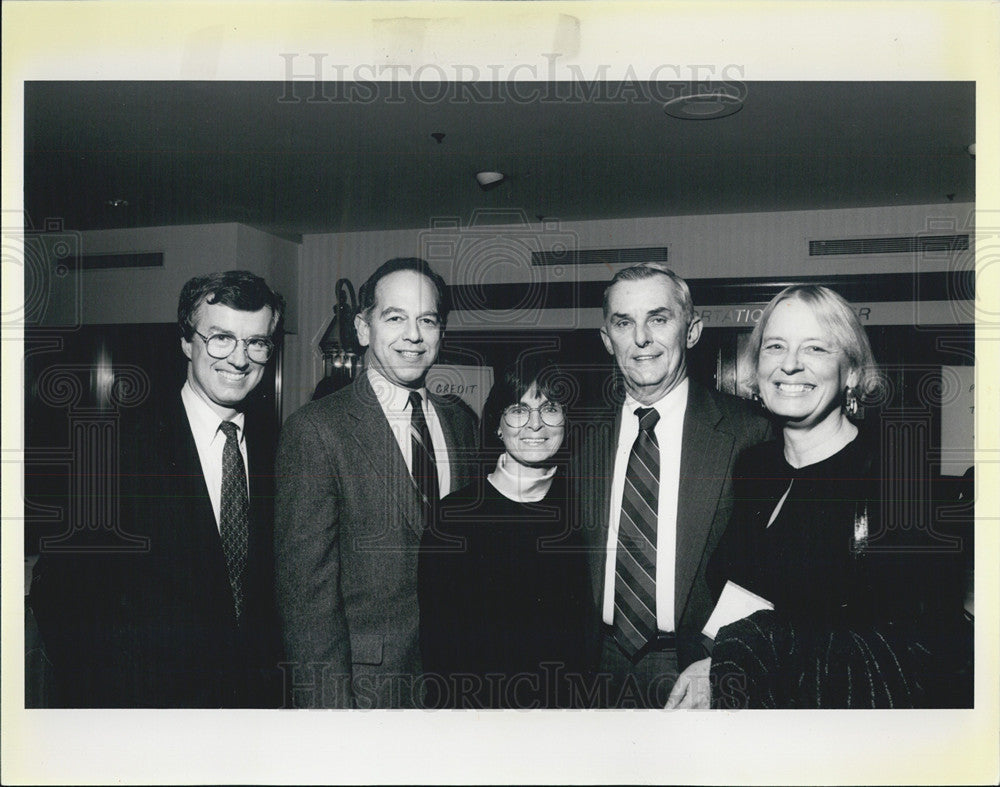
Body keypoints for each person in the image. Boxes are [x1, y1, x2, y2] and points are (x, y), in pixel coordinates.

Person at [668, 284, 971, 709]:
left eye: (815, 349)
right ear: (756, 367)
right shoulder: (754, 465)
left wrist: (740, 661)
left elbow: (924, 655)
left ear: (850, 371)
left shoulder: (896, 479)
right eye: (775, 346)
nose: (790, 364)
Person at [29, 270, 286, 707]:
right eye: (221, 338)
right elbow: (59, 595)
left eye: (256, 343)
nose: (239, 359)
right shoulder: (117, 448)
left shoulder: (282, 449)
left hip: (255, 713)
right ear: (187, 341)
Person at [274, 257, 478, 709]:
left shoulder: (462, 424)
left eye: (427, 320)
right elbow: (306, 601)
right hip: (369, 695)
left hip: (461, 688)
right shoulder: (316, 430)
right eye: (395, 318)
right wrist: (331, 717)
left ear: (442, 332)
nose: (413, 335)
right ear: (364, 329)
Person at [570, 263, 773, 708]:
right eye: (624, 323)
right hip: (592, 666)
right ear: (607, 339)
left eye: (659, 319)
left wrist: (720, 659)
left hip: (699, 667)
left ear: (693, 330)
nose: (641, 338)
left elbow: (768, 570)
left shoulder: (750, 433)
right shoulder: (578, 435)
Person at [418, 357, 590, 708]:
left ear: (567, 420)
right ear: (497, 424)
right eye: (518, 410)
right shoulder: (453, 519)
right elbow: (439, 653)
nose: (536, 425)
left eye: (550, 408)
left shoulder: (586, 512)